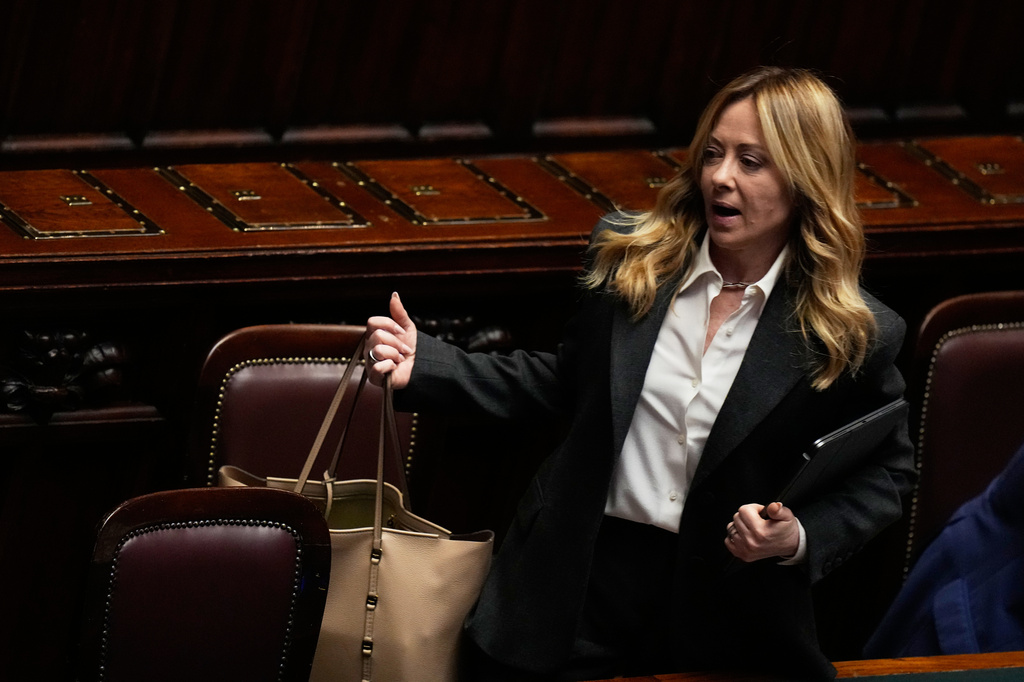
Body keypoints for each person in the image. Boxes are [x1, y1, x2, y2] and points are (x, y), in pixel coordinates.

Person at [365, 66, 916, 681]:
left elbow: (888, 472)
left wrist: (798, 536)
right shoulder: (635, 262)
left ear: (806, 179)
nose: (721, 177)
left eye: (752, 161)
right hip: (580, 580)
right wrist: (432, 367)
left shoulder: (851, 330)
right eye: (713, 153)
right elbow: (566, 385)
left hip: (726, 609)